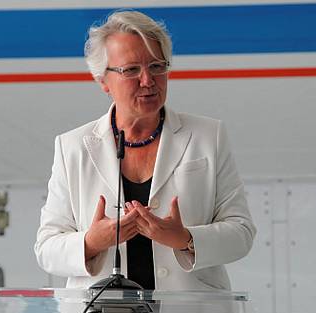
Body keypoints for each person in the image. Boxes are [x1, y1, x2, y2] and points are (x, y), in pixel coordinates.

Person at [34, 10, 256, 291]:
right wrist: (92, 241)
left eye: (156, 66)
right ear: (103, 80)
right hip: (101, 310)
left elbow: (242, 233)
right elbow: (46, 248)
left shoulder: (208, 136)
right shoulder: (72, 147)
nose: (148, 80)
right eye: (131, 70)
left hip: (191, 310)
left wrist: (185, 239)